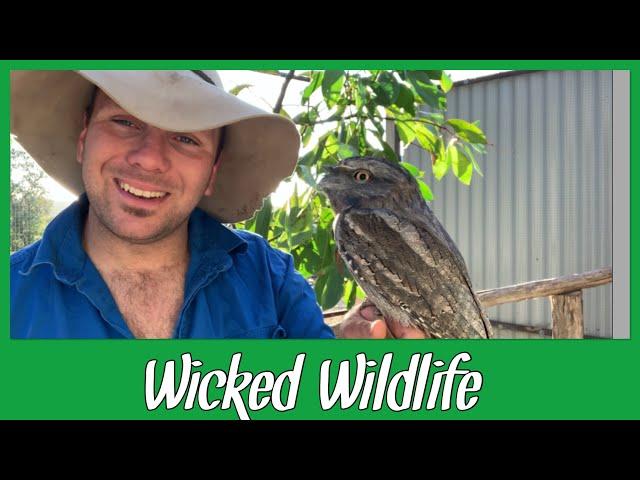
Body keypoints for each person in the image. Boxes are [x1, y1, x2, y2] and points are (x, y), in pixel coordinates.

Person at [10, 70, 425, 339]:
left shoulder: (269, 278)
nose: (149, 158)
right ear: (84, 137)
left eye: (186, 138)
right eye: (124, 121)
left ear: (212, 171)